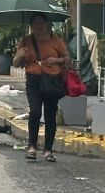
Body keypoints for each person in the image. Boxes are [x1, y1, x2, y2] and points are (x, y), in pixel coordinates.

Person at [12, 12, 70, 162]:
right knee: (35, 112)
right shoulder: (26, 41)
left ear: (47, 25)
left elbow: (67, 60)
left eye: (41, 23)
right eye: (35, 24)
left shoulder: (56, 41)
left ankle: (48, 150)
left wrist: (55, 60)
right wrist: (20, 54)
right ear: (31, 26)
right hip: (34, 81)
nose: (39, 26)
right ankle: (32, 147)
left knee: (50, 115)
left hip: (52, 82)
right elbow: (16, 64)